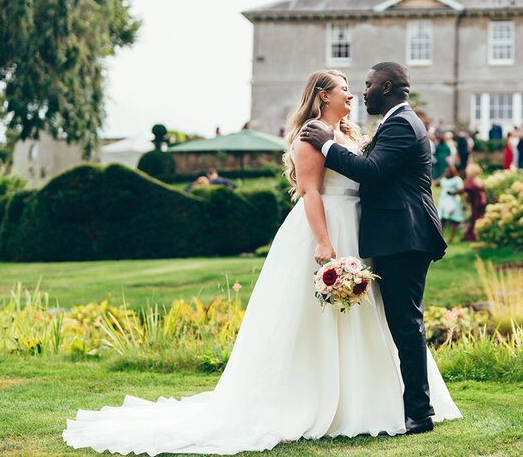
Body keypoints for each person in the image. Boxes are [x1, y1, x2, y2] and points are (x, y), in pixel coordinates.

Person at [63, 68, 461, 455]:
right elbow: (310, 192)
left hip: (364, 235)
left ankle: (376, 402)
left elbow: (371, 173)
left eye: (362, 86)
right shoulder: (311, 138)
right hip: (329, 233)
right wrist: (324, 243)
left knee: (374, 320)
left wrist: (332, 146)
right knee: (318, 323)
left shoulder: (352, 136)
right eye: (344, 88)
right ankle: (323, 400)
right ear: (323, 95)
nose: (354, 93)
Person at [299, 61, 462, 436]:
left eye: (369, 85)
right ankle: (411, 407)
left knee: (406, 323)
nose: (363, 91)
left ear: (386, 87)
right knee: (402, 323)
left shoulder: (403, 123)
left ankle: (419, 414)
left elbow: (372, 171)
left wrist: (325, 142)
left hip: (404, 237)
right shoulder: (397, 122)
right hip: (395, 236)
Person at [438, 165, 465, 243]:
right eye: (445, 171)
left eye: (448, 171)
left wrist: (453, 193)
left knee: (453, 220)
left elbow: (462, 190)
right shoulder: (443, 179)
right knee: (442, 219)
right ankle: (439, 237)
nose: (446, 173)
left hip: (453, 201)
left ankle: (451, 238)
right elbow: (436, 183)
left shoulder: (457, 180)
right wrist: (443, 175)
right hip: (443, 201)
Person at [462, 163, 487, 242]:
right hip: (481, 201)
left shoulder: (470, 181)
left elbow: (466, 191)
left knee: (475, 218)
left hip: (475, 202)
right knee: (479, 217)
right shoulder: (479, 181)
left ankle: (473, 235)